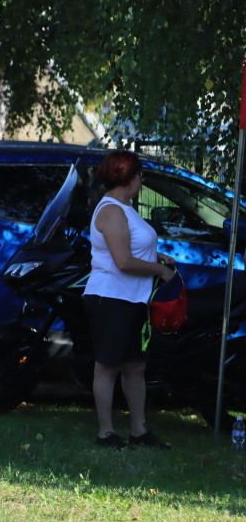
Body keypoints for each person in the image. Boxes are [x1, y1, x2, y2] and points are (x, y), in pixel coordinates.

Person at [83, 151, 175, 450]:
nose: (142, 180)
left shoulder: (126, 208)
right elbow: (122, 260)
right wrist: (159, 270)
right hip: (110, 297)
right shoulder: (111, 210)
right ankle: (105, 433)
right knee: (107, 366)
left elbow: (131, 246)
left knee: (135, 367)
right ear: (127, 177)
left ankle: (140, 432)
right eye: (139, 175)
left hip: (133, 299)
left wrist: (157, 256)